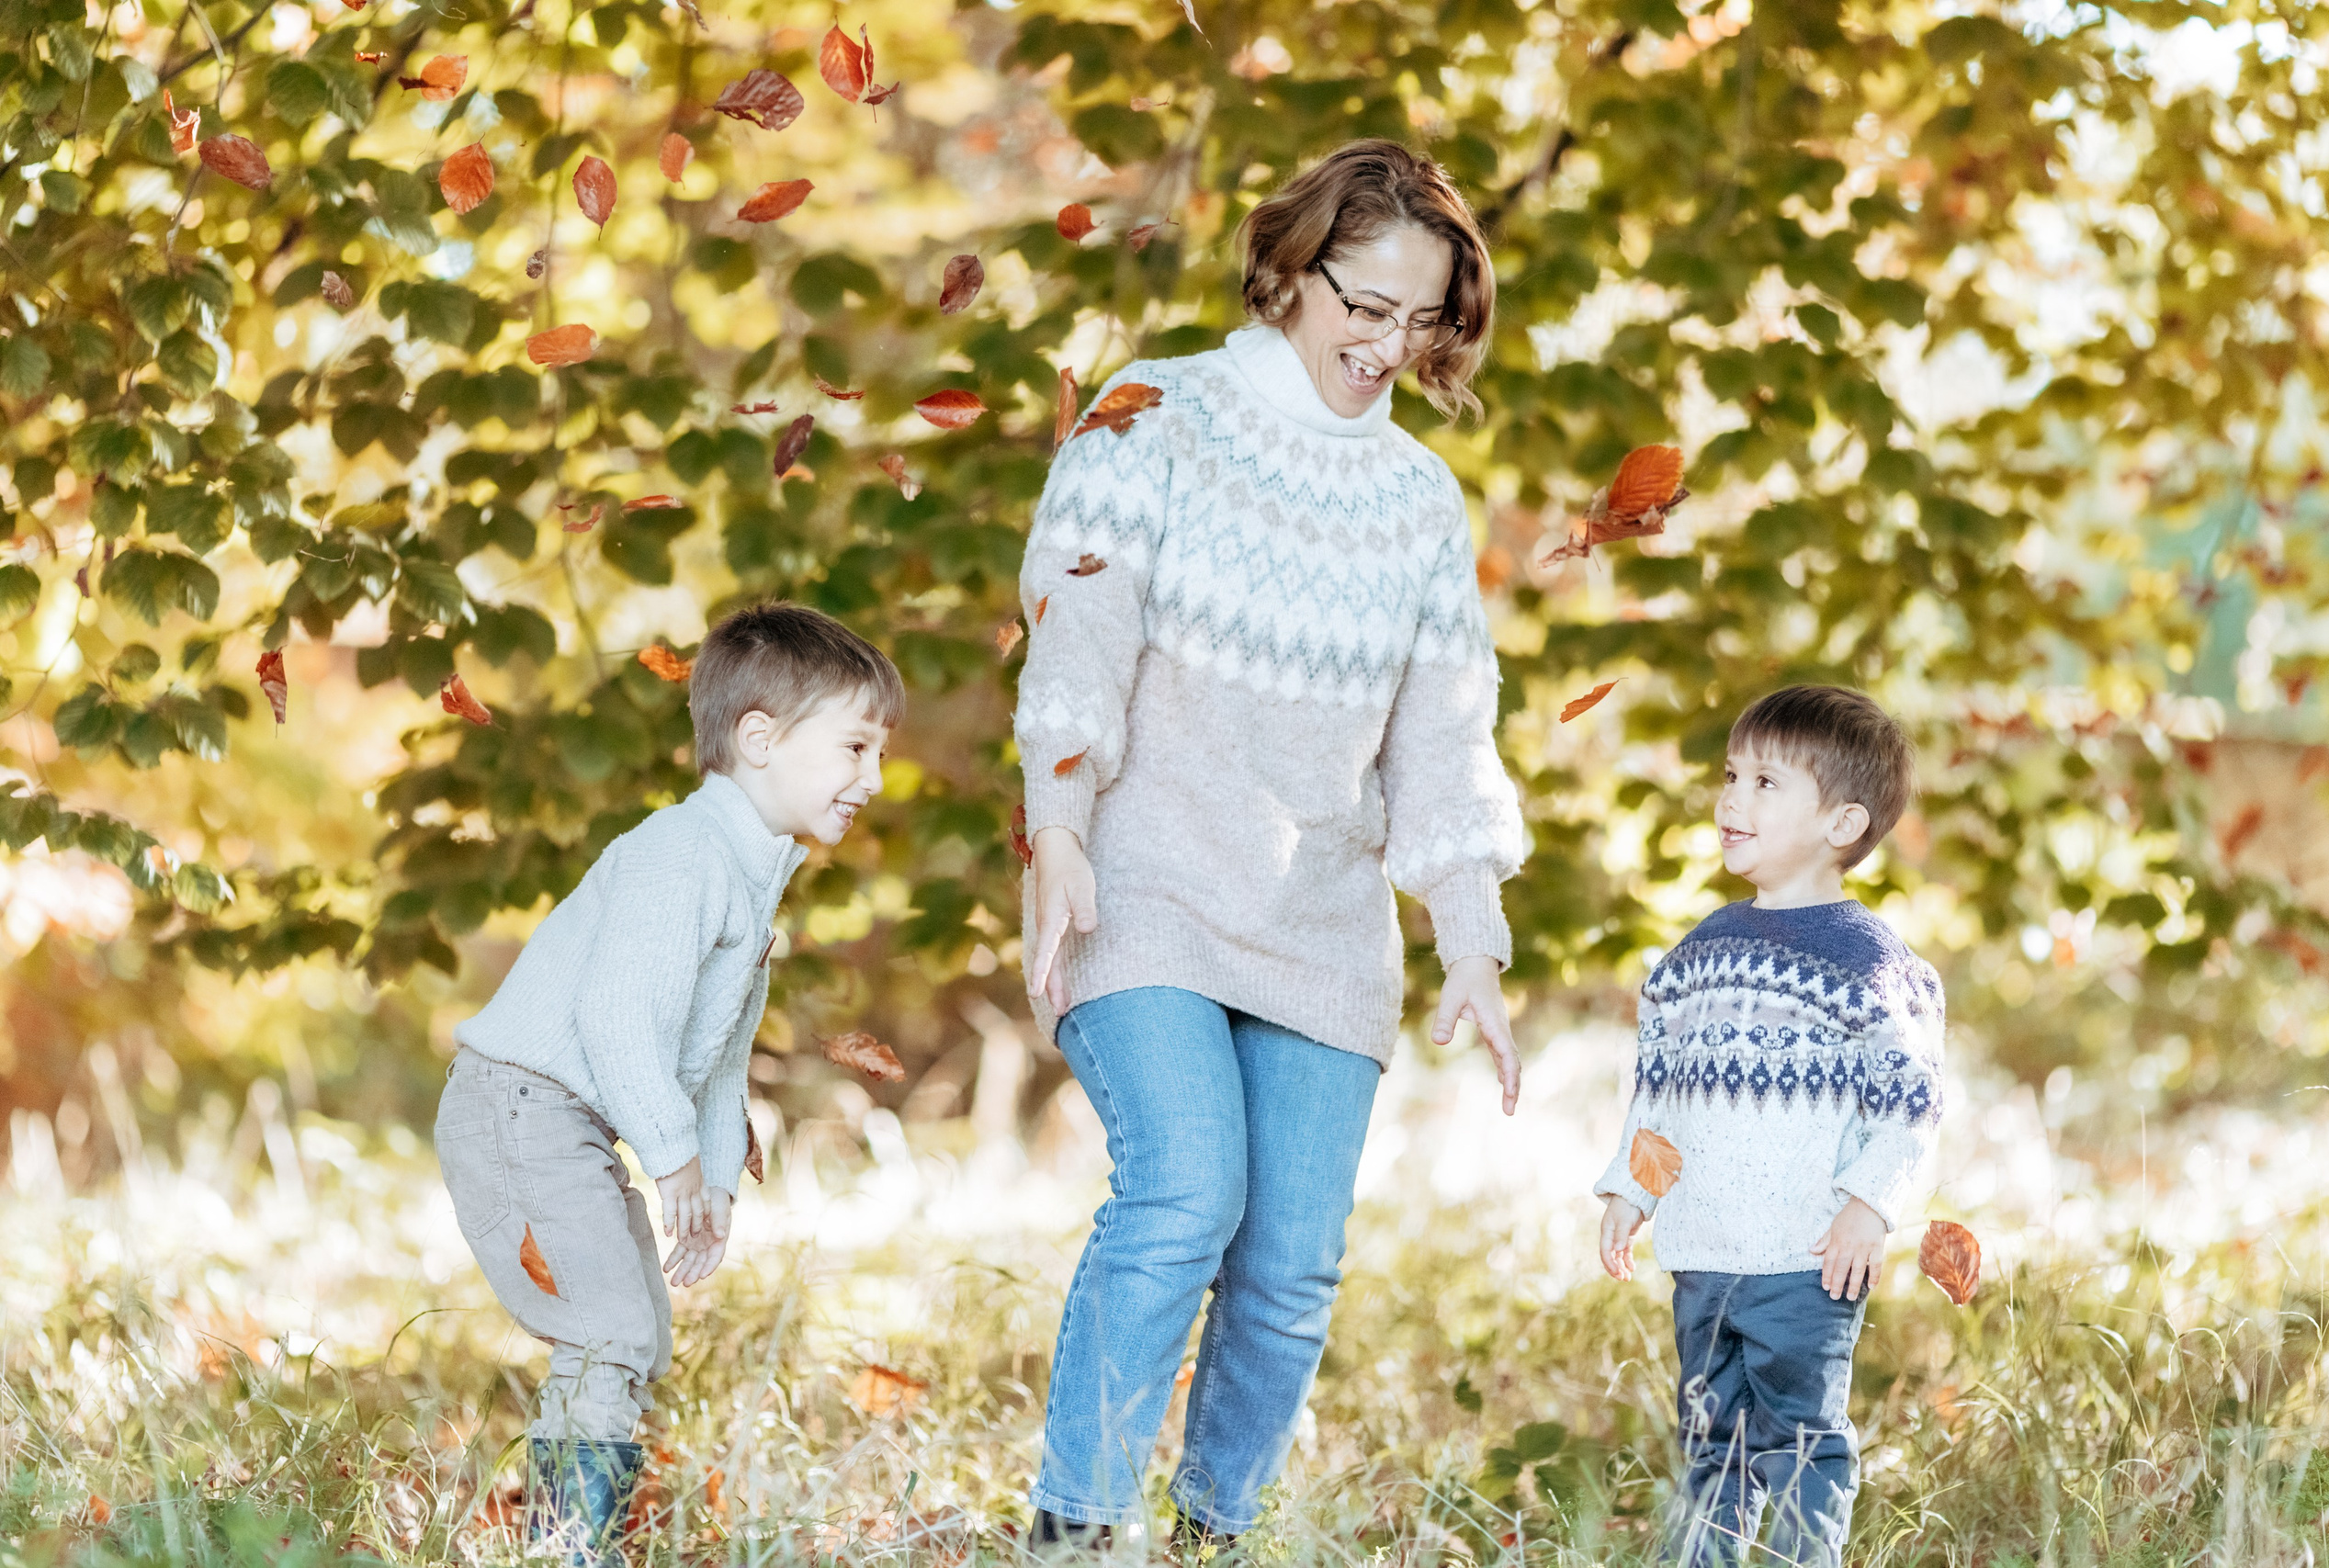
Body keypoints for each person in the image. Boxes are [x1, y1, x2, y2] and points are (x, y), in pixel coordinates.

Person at [1012, 139, 1526, 1551]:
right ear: (1290, 273)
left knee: (1291, 1266)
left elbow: (1444, 738)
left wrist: (1471, 940)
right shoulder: (1152, 415)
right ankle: (1078, 1527)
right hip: (1142, 881)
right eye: (1365, 305)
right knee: (1186, 1188)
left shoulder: (1417, 498)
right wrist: (1057, 827)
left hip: (1322, 921)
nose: (1389, 345)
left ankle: (1213, 1530)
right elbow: (1078, 636)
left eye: (1421, 318)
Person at [434, 603, 902, 1566]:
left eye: (880, 753)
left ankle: (571, 1540)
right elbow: (615, 1020)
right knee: (608, 1327)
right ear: (759, 739)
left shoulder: (748, 876)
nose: (875, 778)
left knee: (635, 1335)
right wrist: (673, 1158)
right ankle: (568, 1551)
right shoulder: (681, 855)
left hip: (563, 1120)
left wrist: (714, 1180)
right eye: (856, 747)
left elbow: (719, 1054)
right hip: (519, 1107)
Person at [1592, 685, 1946, 1567]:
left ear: (1842, 823)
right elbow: (1660, 1091)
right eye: (1730, 775)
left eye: (1764, 782)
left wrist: (1869, 1203)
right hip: (1705, 1254)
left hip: (1806, 1258)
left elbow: (1911, 1098)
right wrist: (1632, 1188)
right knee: (1710, 1441)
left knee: (1798, 1439)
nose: (1731, 799)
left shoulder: (1868, 963)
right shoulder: (1696, 955)